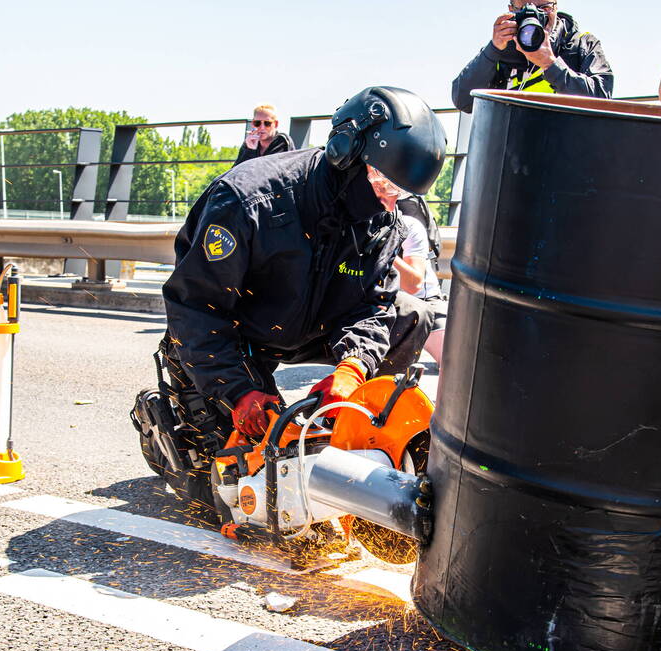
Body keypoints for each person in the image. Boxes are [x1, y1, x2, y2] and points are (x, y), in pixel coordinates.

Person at [136, 87, 445, 518]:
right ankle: (177, 422)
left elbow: (374, 307)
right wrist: (241, 391)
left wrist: (353, 368)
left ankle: (359, 435)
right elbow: (196, 306)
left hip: (317, 326)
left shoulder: (383, 222)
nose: (391, 201)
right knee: (233, 494)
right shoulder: (248, 201)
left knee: (414, 316)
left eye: (403, 192)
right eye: (385, 184)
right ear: (346, 152)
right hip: (240, 332)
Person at [451, 1, 613, 114]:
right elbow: (463, 100)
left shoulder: (581, 42)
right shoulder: (499, 50)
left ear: (555, 7)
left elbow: (602, 101)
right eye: (524, 7)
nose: (533, 13)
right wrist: (493, 49)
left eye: (543, 7)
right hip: (512, 157)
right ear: (511, 10)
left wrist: (550, 64)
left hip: (565, 155)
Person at [394, 195, 446, 368]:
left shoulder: (409, 225)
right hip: (384, 301)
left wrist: (381, 249)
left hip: (424, 300)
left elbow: (412, 283)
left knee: (454, 364)